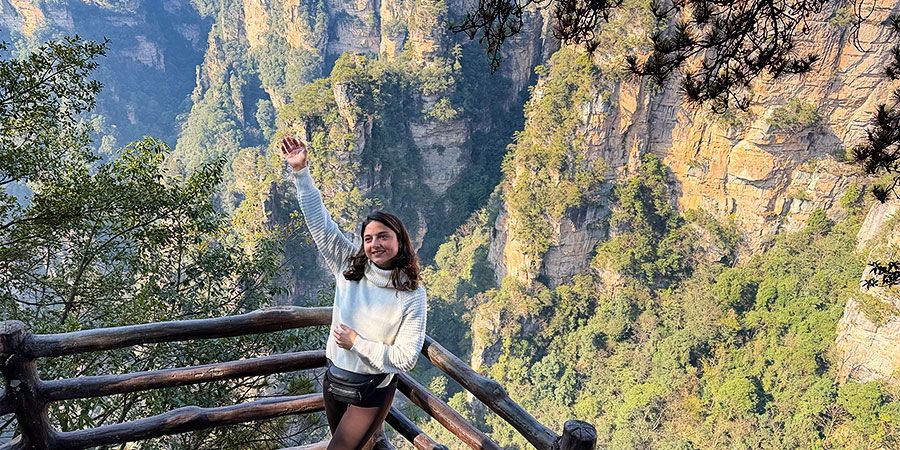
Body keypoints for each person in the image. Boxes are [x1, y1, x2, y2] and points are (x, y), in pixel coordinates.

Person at [280, 136, 427, 450]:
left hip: (372, 390)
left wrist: (357, 343)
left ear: (400, 240)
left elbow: (405, 358)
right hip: (334, 382)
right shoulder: (349, 267)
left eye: (384, 236)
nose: (376, 244)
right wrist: (301, 172)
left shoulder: (412, 294)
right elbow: (320, 224)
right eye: (369, 238)